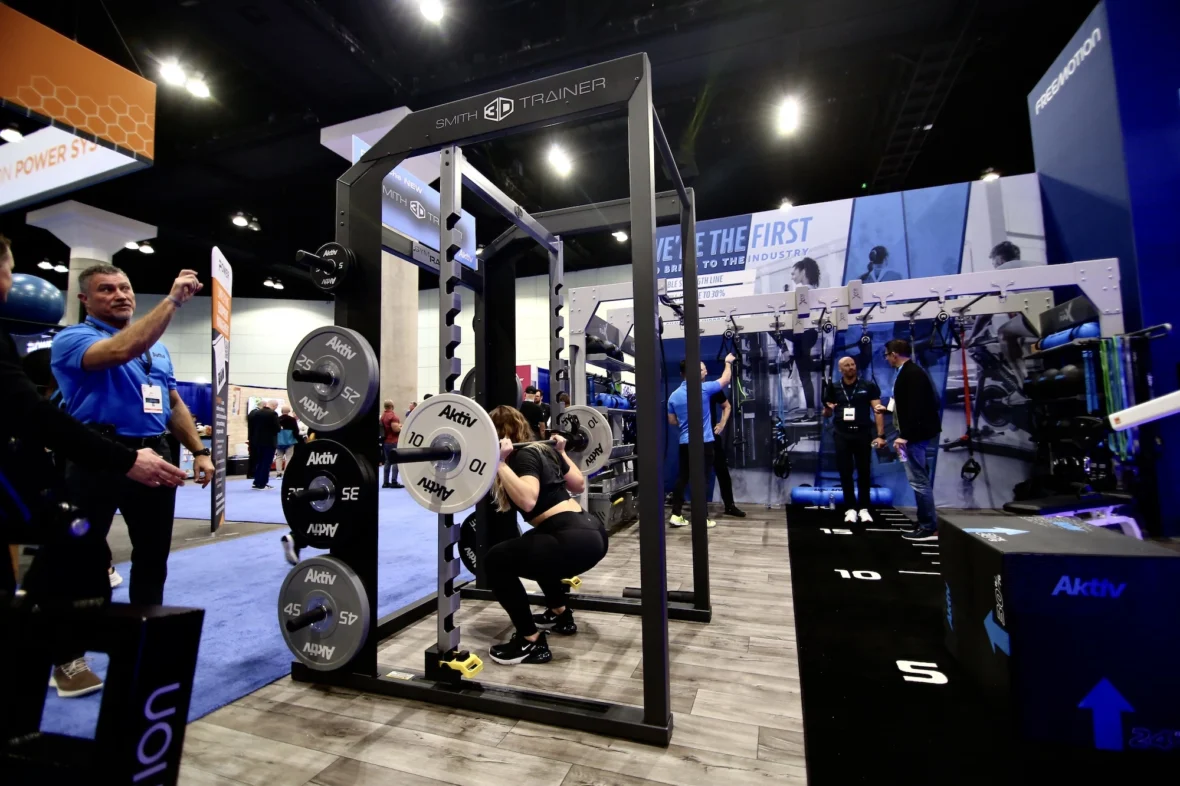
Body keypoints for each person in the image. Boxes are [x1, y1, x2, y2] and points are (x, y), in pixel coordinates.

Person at [43, 259, 203, 696]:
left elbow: (171, 403)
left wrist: (200, 451)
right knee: (81, 559)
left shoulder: (157, 347)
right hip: (96, 455)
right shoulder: (73, 339)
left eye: (125, 287)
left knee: (153, 558)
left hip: (156, 454)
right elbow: (119, 351)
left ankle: (144, 639)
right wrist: (172, 301)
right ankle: (68, 657)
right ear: (84, 300)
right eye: (106, 289)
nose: (120, 295)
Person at [484, 406, 607, 665]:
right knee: (535, 547)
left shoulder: (522, 456)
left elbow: (528, 500)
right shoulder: (545, 449)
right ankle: (560, 613)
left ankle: (529, 641)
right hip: (590, 531)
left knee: (495, 561)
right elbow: (578, 484)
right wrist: (562, 452)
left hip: (572, 539)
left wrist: (499, 463)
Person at [878, 339, 942, 540]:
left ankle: (928, 526)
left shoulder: (912, 373)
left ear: (894, 354)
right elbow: (905, 403)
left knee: (919, 481)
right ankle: (925, 521)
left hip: (913, 437)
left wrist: (904, 436)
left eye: (887, 355)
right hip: (911, 435)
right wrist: (887, 409)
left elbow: (916, 408)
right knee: (918, 479)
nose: (886, 359)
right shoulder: (906, 372)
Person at [666, 353, 735, 527]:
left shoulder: (673, 396)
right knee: (702, 480)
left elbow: (672, 421)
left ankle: (676, 514)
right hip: (704, 443)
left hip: (685, 442)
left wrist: (687, 423)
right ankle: (702, 518)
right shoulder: (703, 389)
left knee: (683, 477)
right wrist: (728, 362)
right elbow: (725, 379)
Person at [823, 356, 887, 524]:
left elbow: (878, 411)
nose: (851, 367)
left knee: (864, 471)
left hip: (863, 434)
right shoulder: (834, 387)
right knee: (845, 471)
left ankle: (864, 508)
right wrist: (827, 409)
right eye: (847, 365)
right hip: (842, 434)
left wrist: (880, 435)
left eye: (852, 364)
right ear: (840, 370)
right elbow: (827, 414)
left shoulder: (868, 386)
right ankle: (850, 508)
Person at [709, 388, 745, 517]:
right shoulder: (684, 391)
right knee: (688, 474)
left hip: (712, 438)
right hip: (694, 439)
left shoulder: (711, 388)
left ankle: (729, 506)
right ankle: (677, 510)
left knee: (722, 471)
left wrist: (722, 424)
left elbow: (727, 406)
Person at [247, 399, 280, 489]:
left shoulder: (256, 413)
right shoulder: (273, 414)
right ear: (274, 406)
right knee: (266, 463)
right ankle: (262, 484)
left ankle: (256, 482)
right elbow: (277, 428)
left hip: (257, 441)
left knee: (259, 462)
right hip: (269, 442)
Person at [380, 399, 403, 489]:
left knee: (387, 461)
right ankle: (394, 481)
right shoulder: (393, 416)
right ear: (392, 406)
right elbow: (395, 429)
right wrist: (401, 428)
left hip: (386, 441)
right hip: (393, 441)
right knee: (395, 461)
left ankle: (385, 482)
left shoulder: (383, 416)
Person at [274, 404, 300, 478]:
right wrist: (297, 438)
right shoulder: (292, 420)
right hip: (290, 440)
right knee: (289, 457)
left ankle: (278, 473)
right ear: (289, 411)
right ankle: (286, 473)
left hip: (279, 441)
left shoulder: (277, 419)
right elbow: (296, 431)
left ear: (281, 411)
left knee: (279, 457)